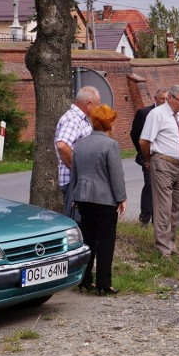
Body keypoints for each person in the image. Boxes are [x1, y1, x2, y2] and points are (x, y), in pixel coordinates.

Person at [70, 104, 127, 295]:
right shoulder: (110, 145)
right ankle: (104, 283)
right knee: (106, 241)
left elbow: (75, 172)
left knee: (88, 240)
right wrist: (121, 198)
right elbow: (116, 175)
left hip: (83, 198)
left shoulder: (80, 144)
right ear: (109, 123)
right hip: (104, 199)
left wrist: (75, 195)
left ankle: (84, 279)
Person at [139, 84, 179, 257]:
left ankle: (171, 242)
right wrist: (151, 159)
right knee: (163, 207)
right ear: (170, 98)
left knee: (176, 207)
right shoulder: (157, 114)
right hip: (163, 163)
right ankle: (163, 249)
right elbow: (144, 141)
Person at [55, 86, 100, 221]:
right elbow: (62, 145)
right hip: (72, 182)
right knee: (77, 222)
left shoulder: (81, 119)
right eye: (97, 104)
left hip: (78, 181)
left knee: (84, 222)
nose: (99, 107)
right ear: (88, 103)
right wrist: (77, 169)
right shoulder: (73, 119)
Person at [130, 88, 168, 226]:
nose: (164, 101)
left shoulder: (171, 114)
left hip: (166, 158)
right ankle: (144, 219)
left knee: (163, 188)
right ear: (155, 98)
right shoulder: (144, 113)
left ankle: (159, 220)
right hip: (149, 157)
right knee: (150, 185)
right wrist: (144, 155)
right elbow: (135, 135)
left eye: (166, 99)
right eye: (162, 98)